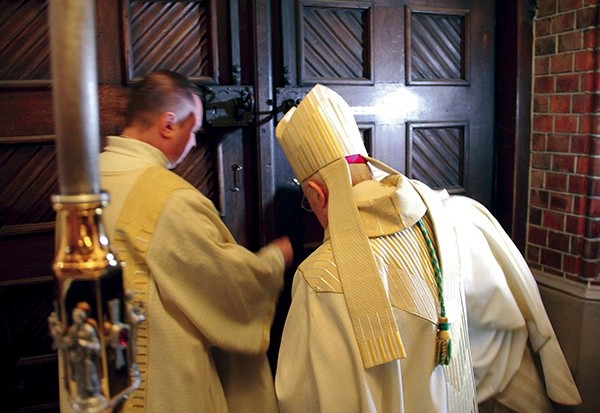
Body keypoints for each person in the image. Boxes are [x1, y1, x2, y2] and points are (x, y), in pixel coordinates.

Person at [273, 84, 580, 412]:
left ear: (318, 195)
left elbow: (308, 400)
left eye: (309, 201)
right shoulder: (453, 219)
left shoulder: (320, 279)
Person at [95, 70, 293, 412]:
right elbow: (223, 282)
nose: (193, 143)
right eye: (193, 131)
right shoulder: (166, 197)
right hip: (157, 378)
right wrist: (273, 261)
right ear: (169, 123)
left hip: (98, 368)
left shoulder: (85, 181)